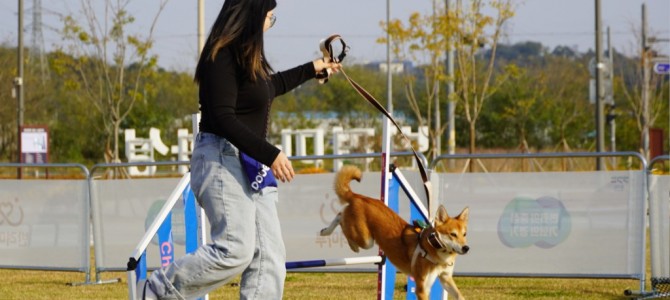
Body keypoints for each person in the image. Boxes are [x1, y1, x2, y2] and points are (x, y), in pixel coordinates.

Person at [140, 0, 341, 299]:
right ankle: (161, 290)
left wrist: (312, 69)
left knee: (270, 259)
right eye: (270, 18)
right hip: (221, 159)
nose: (269, 25)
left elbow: (268, 88)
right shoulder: (220, 56)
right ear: (252, 15)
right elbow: (223, 117)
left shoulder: (247, 57)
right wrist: (271, 154)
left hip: (251, 164)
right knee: (235, 248)